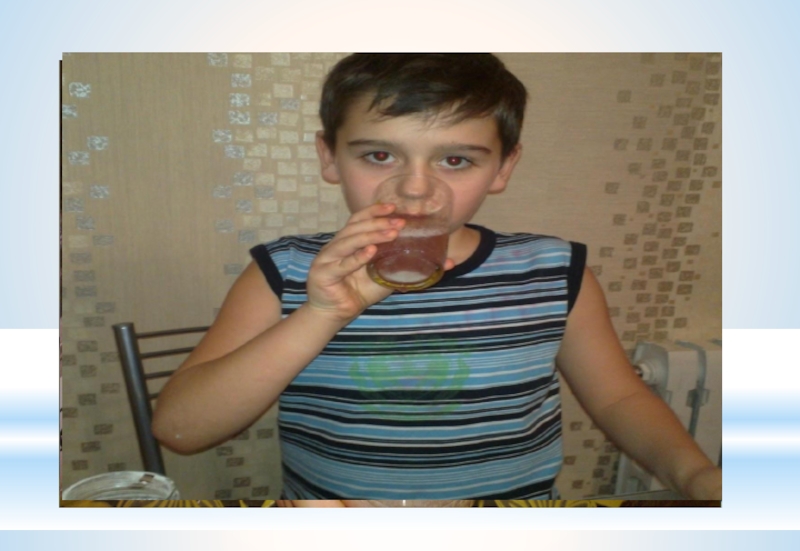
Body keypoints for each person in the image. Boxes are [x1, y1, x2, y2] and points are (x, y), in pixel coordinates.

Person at [152, 53, 722, 506]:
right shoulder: (285, 271)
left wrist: (695, 474)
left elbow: (620, 397)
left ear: (502, 168)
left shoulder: (553, 271)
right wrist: (321, 314)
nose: (416, 188)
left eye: (455, 160)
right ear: (329, 157)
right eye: (380, 155)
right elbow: (181, 429)